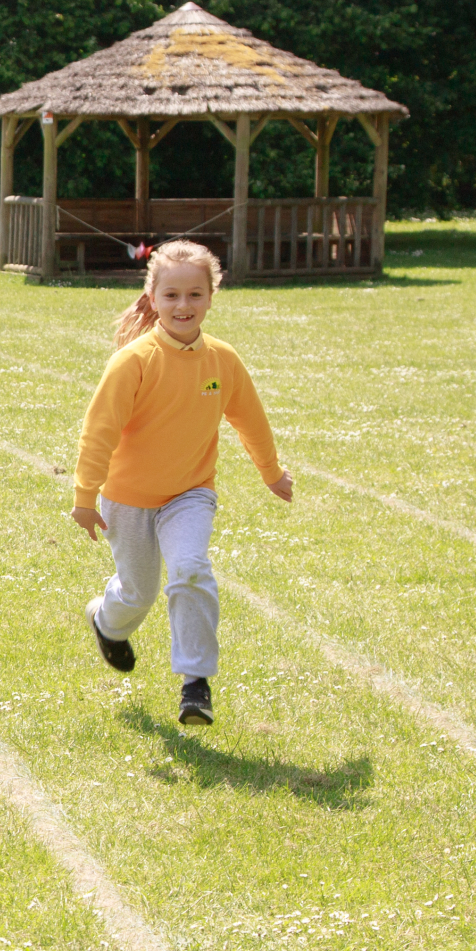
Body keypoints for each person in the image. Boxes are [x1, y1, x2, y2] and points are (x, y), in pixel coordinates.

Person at [71, 240, 292, 724]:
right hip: (127, 500)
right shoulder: (134, 361)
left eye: (195, 294)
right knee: (137, 593)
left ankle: (195, 684)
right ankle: (105, 622)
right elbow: (98, 433)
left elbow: (250, 420)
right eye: (171, 295)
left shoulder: (223, 361)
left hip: (190, 493)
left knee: (191, 567)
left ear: (212, 296)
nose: (183, 306)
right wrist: (85, 498)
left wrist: (271, 472)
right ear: (152, 296)